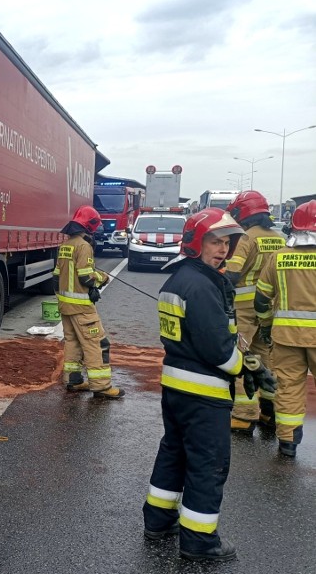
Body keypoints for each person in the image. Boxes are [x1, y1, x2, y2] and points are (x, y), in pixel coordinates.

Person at [142, 208, 244, 562]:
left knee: (174, 452)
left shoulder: (179, 279)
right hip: (205, 394)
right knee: (207, 464)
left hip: (176, 388)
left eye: (227, 243)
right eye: (216, 241)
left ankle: (158, 520)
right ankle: (199, 543)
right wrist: (246, 366)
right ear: (196, 242)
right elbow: (218, 350)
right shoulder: (201, 286)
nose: (223, 249)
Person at [254, 200, 316, 458]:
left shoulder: (279, 256)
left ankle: (288, 443)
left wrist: (266, 325)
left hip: (285, 337)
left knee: (289, 387)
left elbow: (261, 298)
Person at [225, 190, 284, 433]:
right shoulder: (279, 238)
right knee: (266, 357)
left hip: (244, 308)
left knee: (241, 356)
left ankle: (244, 414)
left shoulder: (246, 238)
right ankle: (269, 411)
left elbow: (233, 273)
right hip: (269, 307)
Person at [52, 205, 124, 398]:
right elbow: (86, 277)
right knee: (97, 344)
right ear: (90, 225)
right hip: (82, 308)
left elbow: (56, 276)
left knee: (73, 343)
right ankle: (101, 386)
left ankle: (73, 381)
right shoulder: (84, 246)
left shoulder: (66, 245)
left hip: (66, 305)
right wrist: (102, 278)